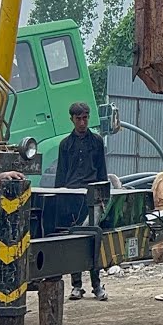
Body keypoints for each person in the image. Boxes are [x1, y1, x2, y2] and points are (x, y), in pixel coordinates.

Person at [57, 102, 108, 301]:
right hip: (71, 197)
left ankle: (97, 286)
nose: (82, 122)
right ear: (72, 119)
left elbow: (102, 171)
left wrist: (104, 197)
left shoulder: (96, 142)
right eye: (78, 118)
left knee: (94, 240)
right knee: (73, 240)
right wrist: (59, 197)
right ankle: (76, 286)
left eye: (85, 118)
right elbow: (61, 173)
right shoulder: (65, 145)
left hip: (92, 196)